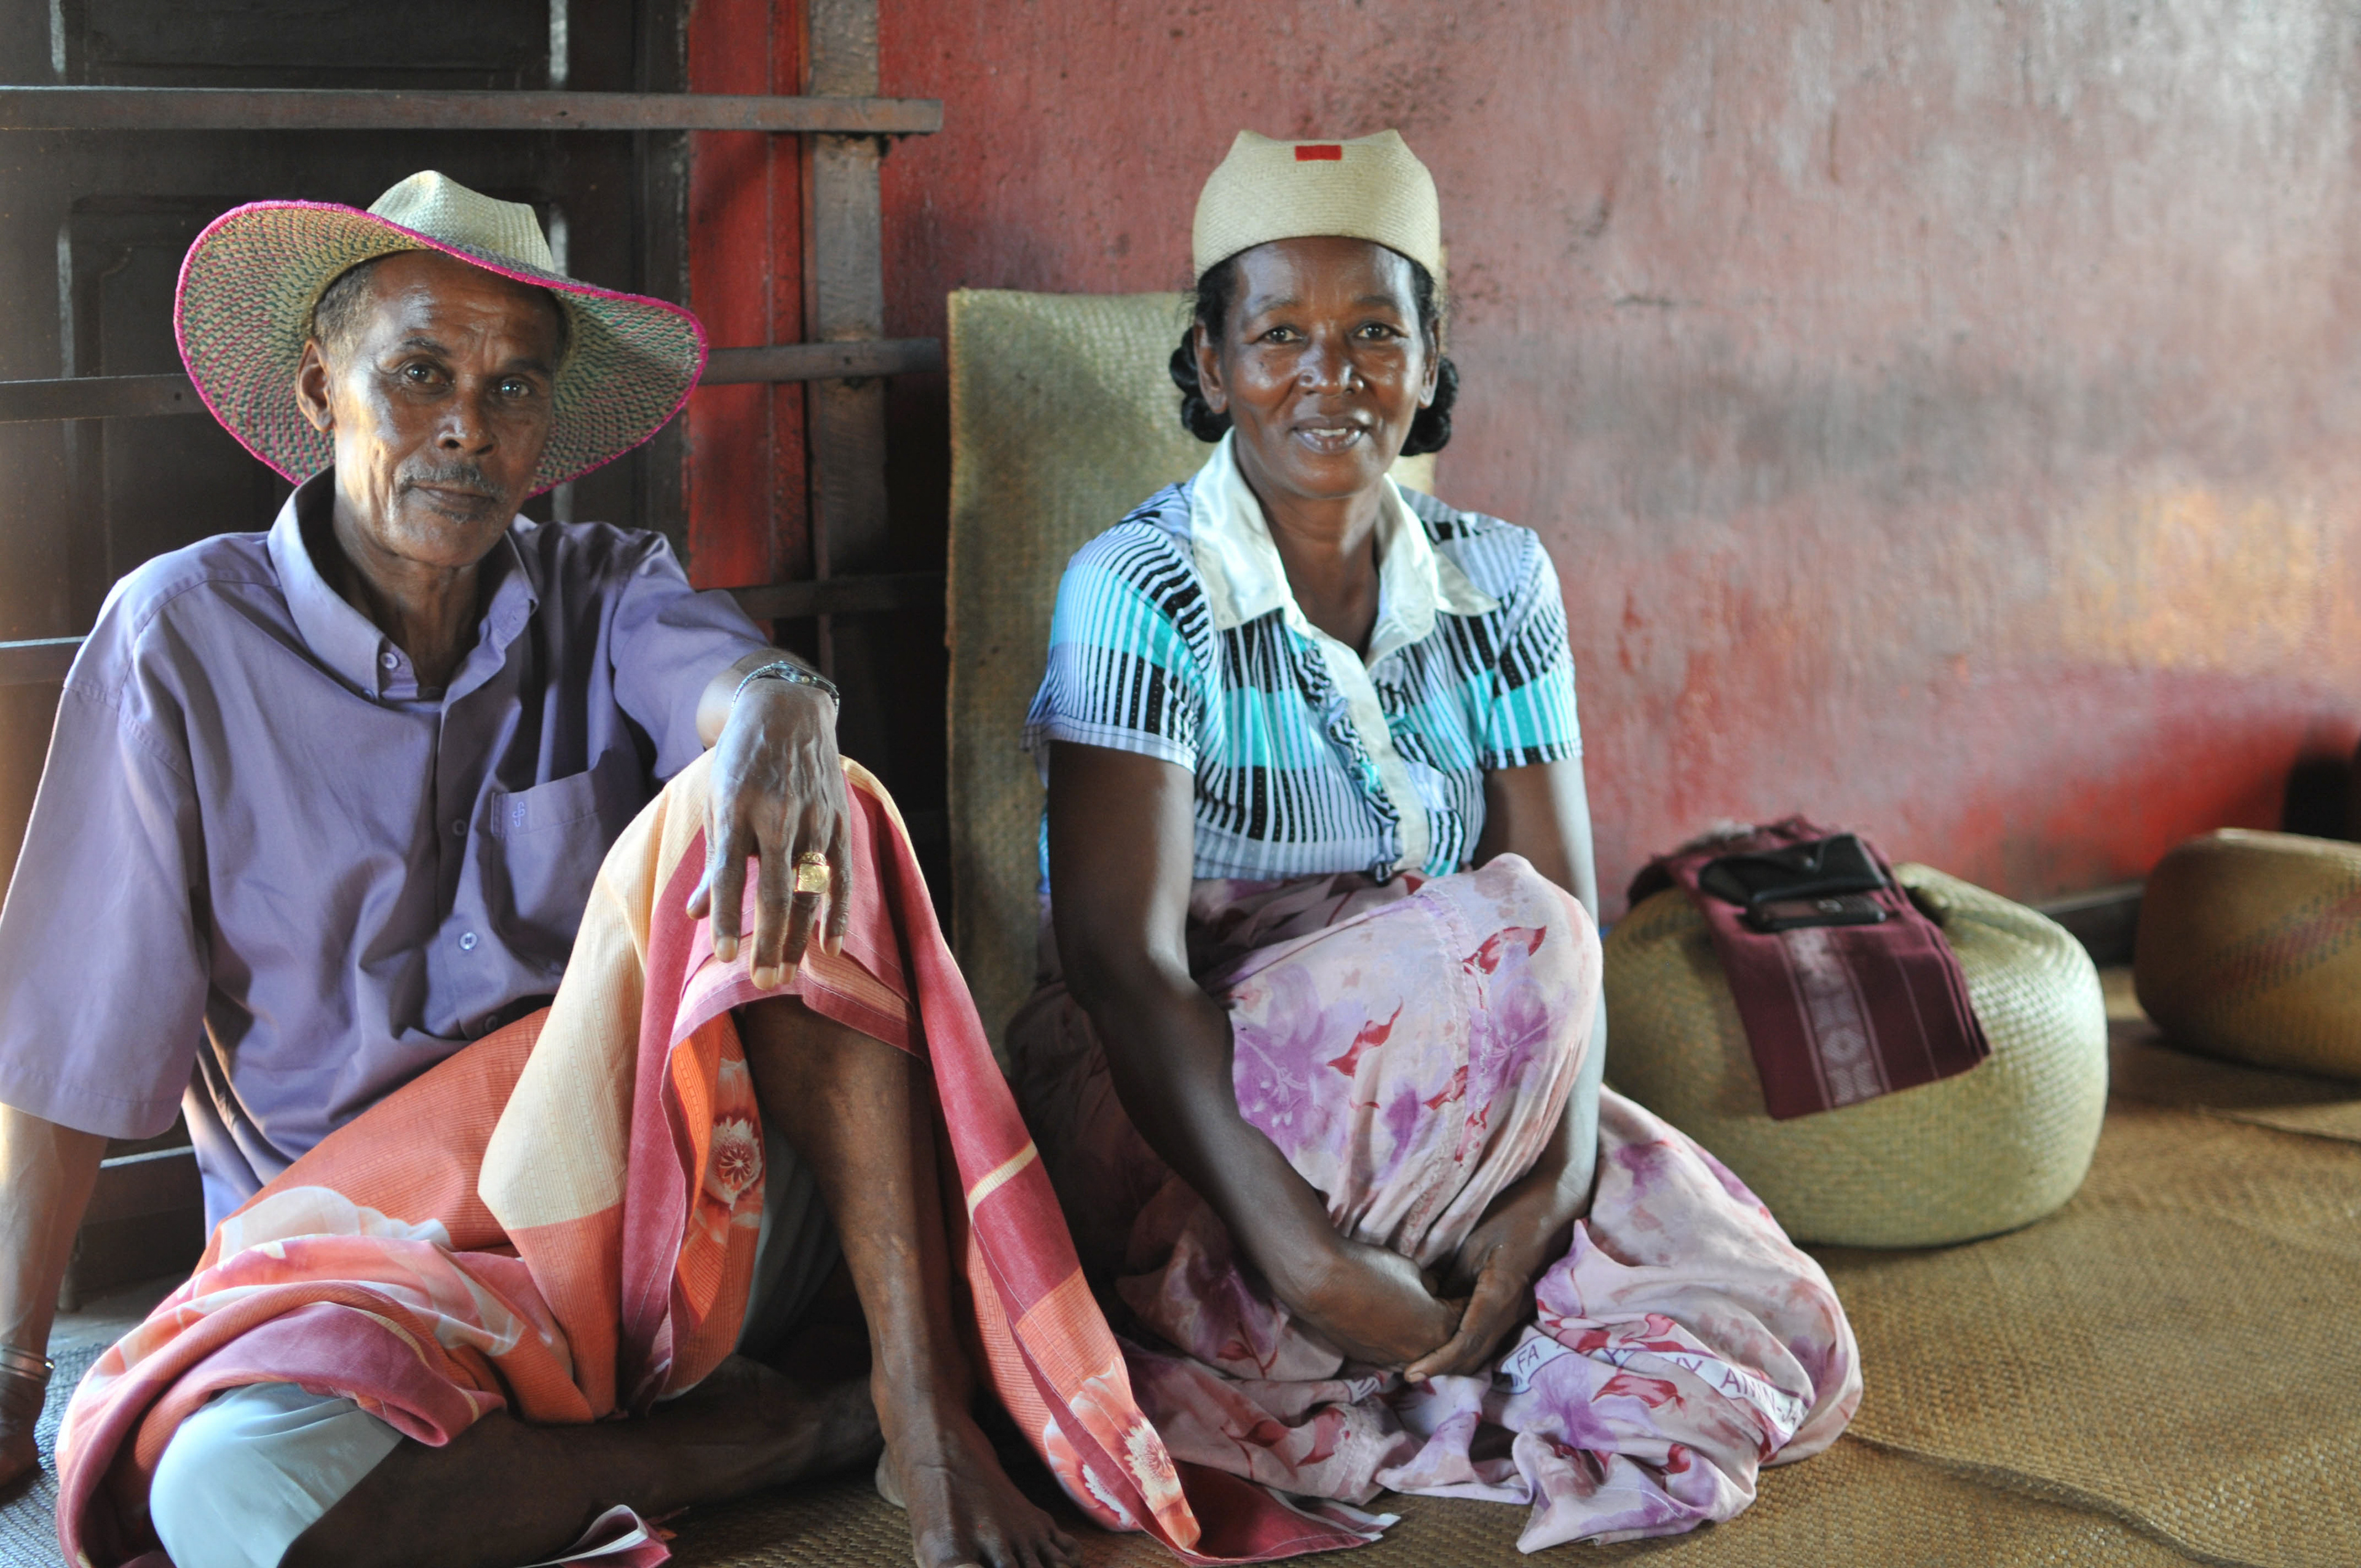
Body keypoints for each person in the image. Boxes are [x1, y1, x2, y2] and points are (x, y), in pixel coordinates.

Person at [0, 173, 1083, 1568]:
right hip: (349, 1273)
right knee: (229, 1499)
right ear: (320, 388)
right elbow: (72, 1046)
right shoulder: (178, 639)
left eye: (515, 391)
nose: (468, 425)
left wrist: (782, 700)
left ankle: (922, 1413)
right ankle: (757, 1443)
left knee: (808, 800)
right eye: (420, 374)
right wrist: (15, 1365)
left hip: (651, 1227)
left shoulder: (608, 586)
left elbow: (735, 692)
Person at [1010, 130, 1863, 1550]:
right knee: (1499, 934)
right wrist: (1304, 1257)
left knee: (1787, 1330)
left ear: (1429, 355)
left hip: (1470, 1078)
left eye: (1372, 335)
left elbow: (1566, 937)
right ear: (1212, 366)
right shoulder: (1142, 589)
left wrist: (1552, 1185)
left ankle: (1421, 1312)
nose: (1328, 376)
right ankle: (1303, 1312)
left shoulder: (1500, 578)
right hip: (1174, 1103)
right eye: (1278, 333)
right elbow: (1121, 969)